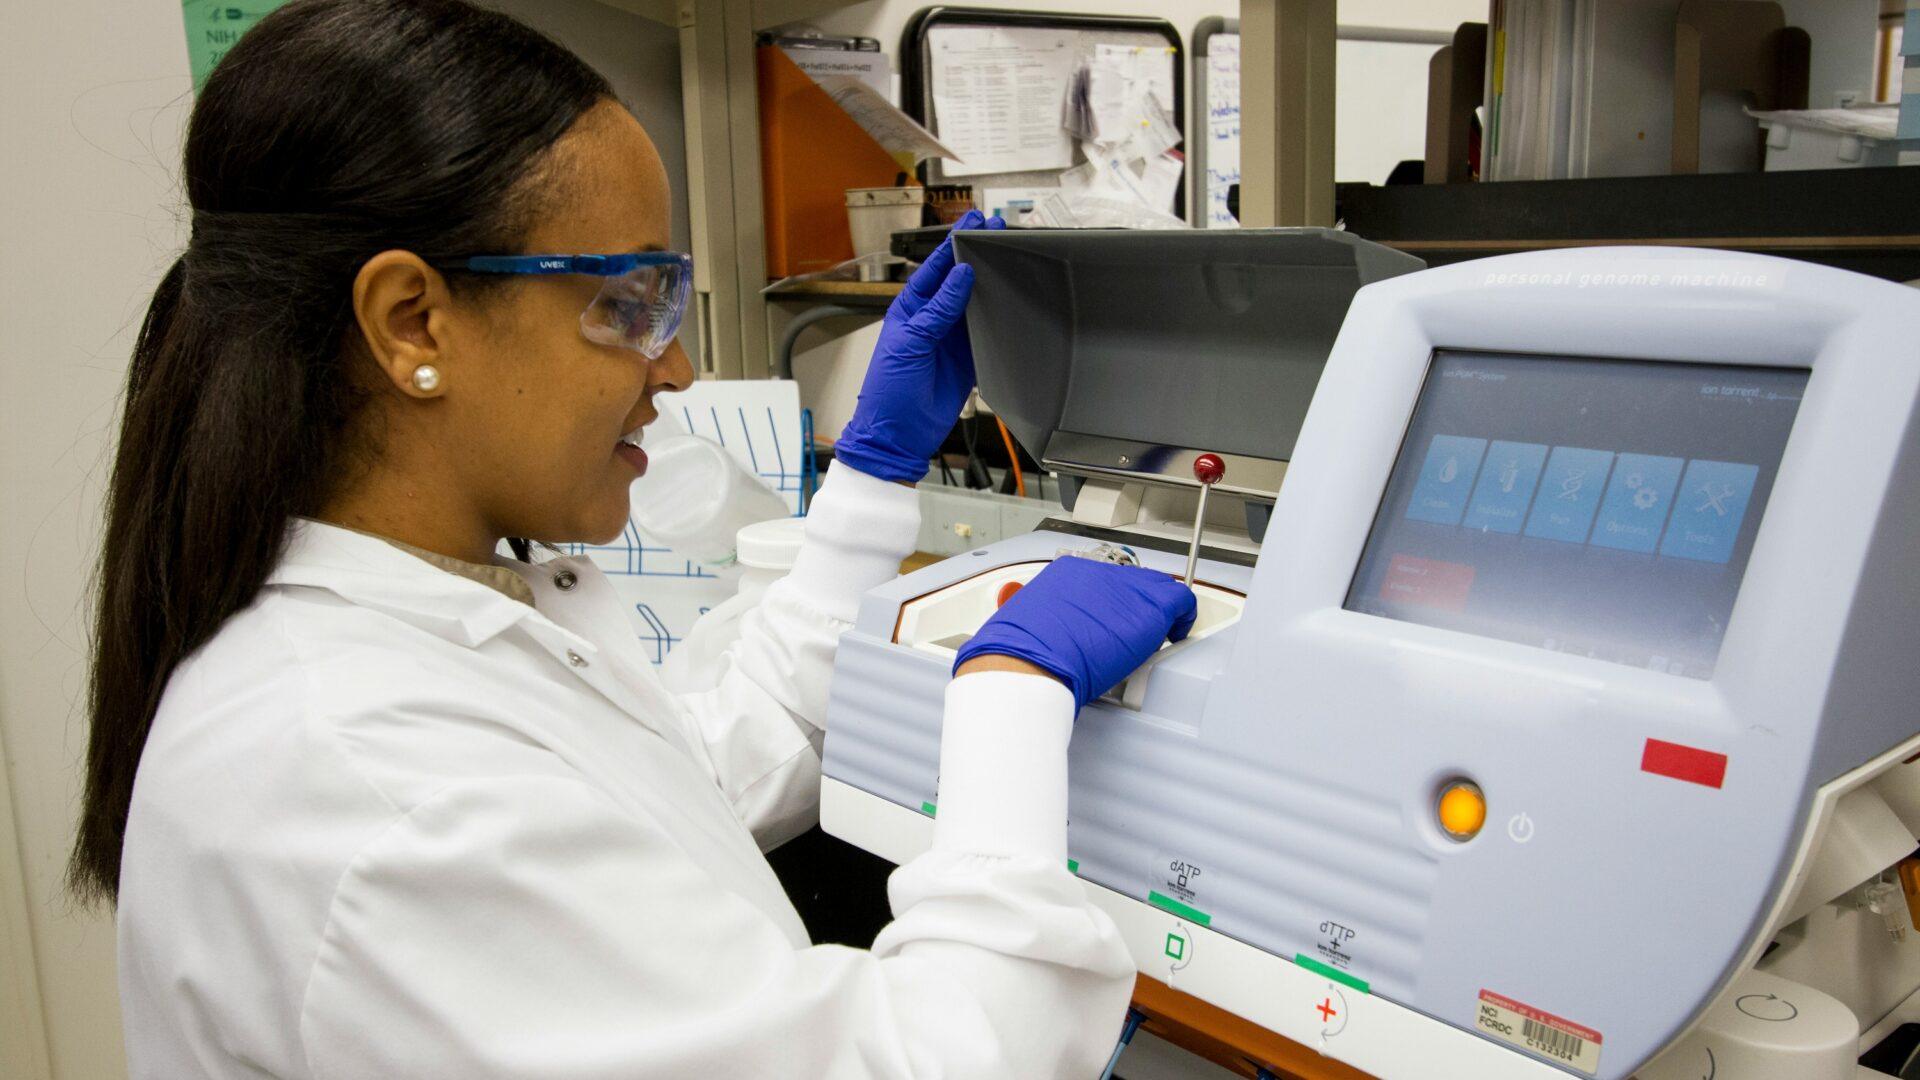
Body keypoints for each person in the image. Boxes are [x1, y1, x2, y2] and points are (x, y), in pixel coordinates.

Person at [74, 1, 1197, 1076]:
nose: (678, 368)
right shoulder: (375, 794)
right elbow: (932, 1062)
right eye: (626, 303)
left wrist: (868, 482)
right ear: (413, 322)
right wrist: (1011, 699)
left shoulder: (417, 635)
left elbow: (694, 775)